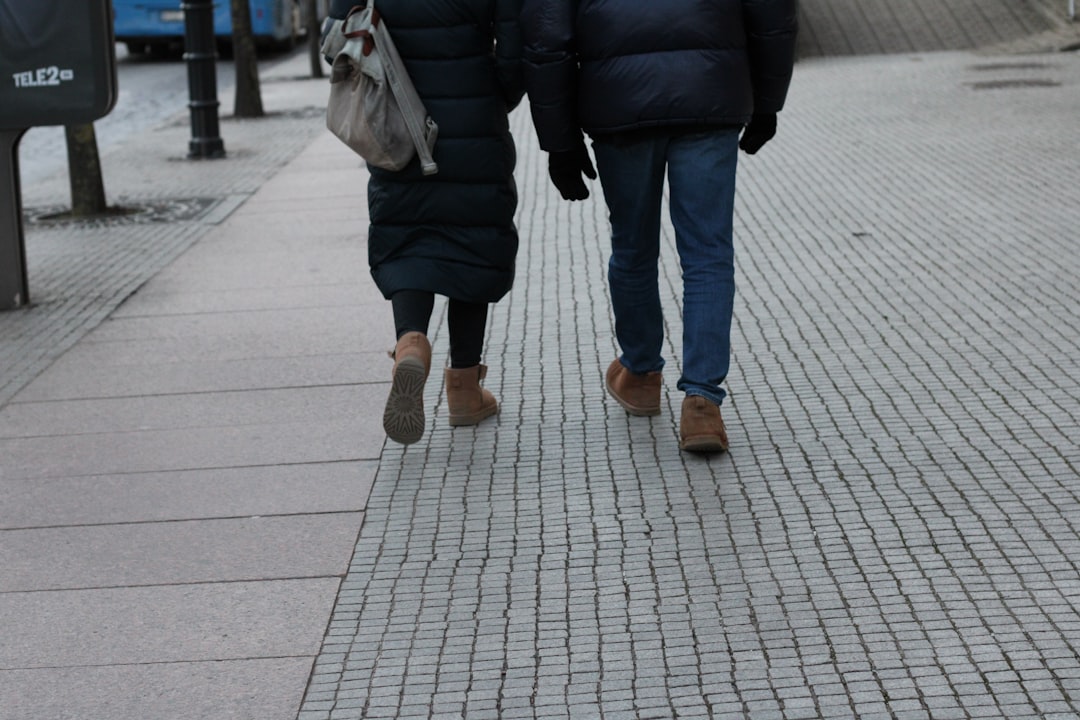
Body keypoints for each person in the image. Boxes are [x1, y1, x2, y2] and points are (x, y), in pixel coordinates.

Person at [520, 0, 797, 453]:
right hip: (709, 90)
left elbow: (546, 35)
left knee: (632, 247)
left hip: (619, 100)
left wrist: (560, 141)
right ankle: (703, 402)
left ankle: (642, 374)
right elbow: (773, 14)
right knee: (708, 252)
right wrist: (767, 102)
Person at [326, 0, 523, 445]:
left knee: (407, 236)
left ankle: (411, 343)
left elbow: (335, 32)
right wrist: (496, 97)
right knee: (472, 241)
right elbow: (514, 50)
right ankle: (465, 391)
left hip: (396, 117)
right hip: (472, 114)